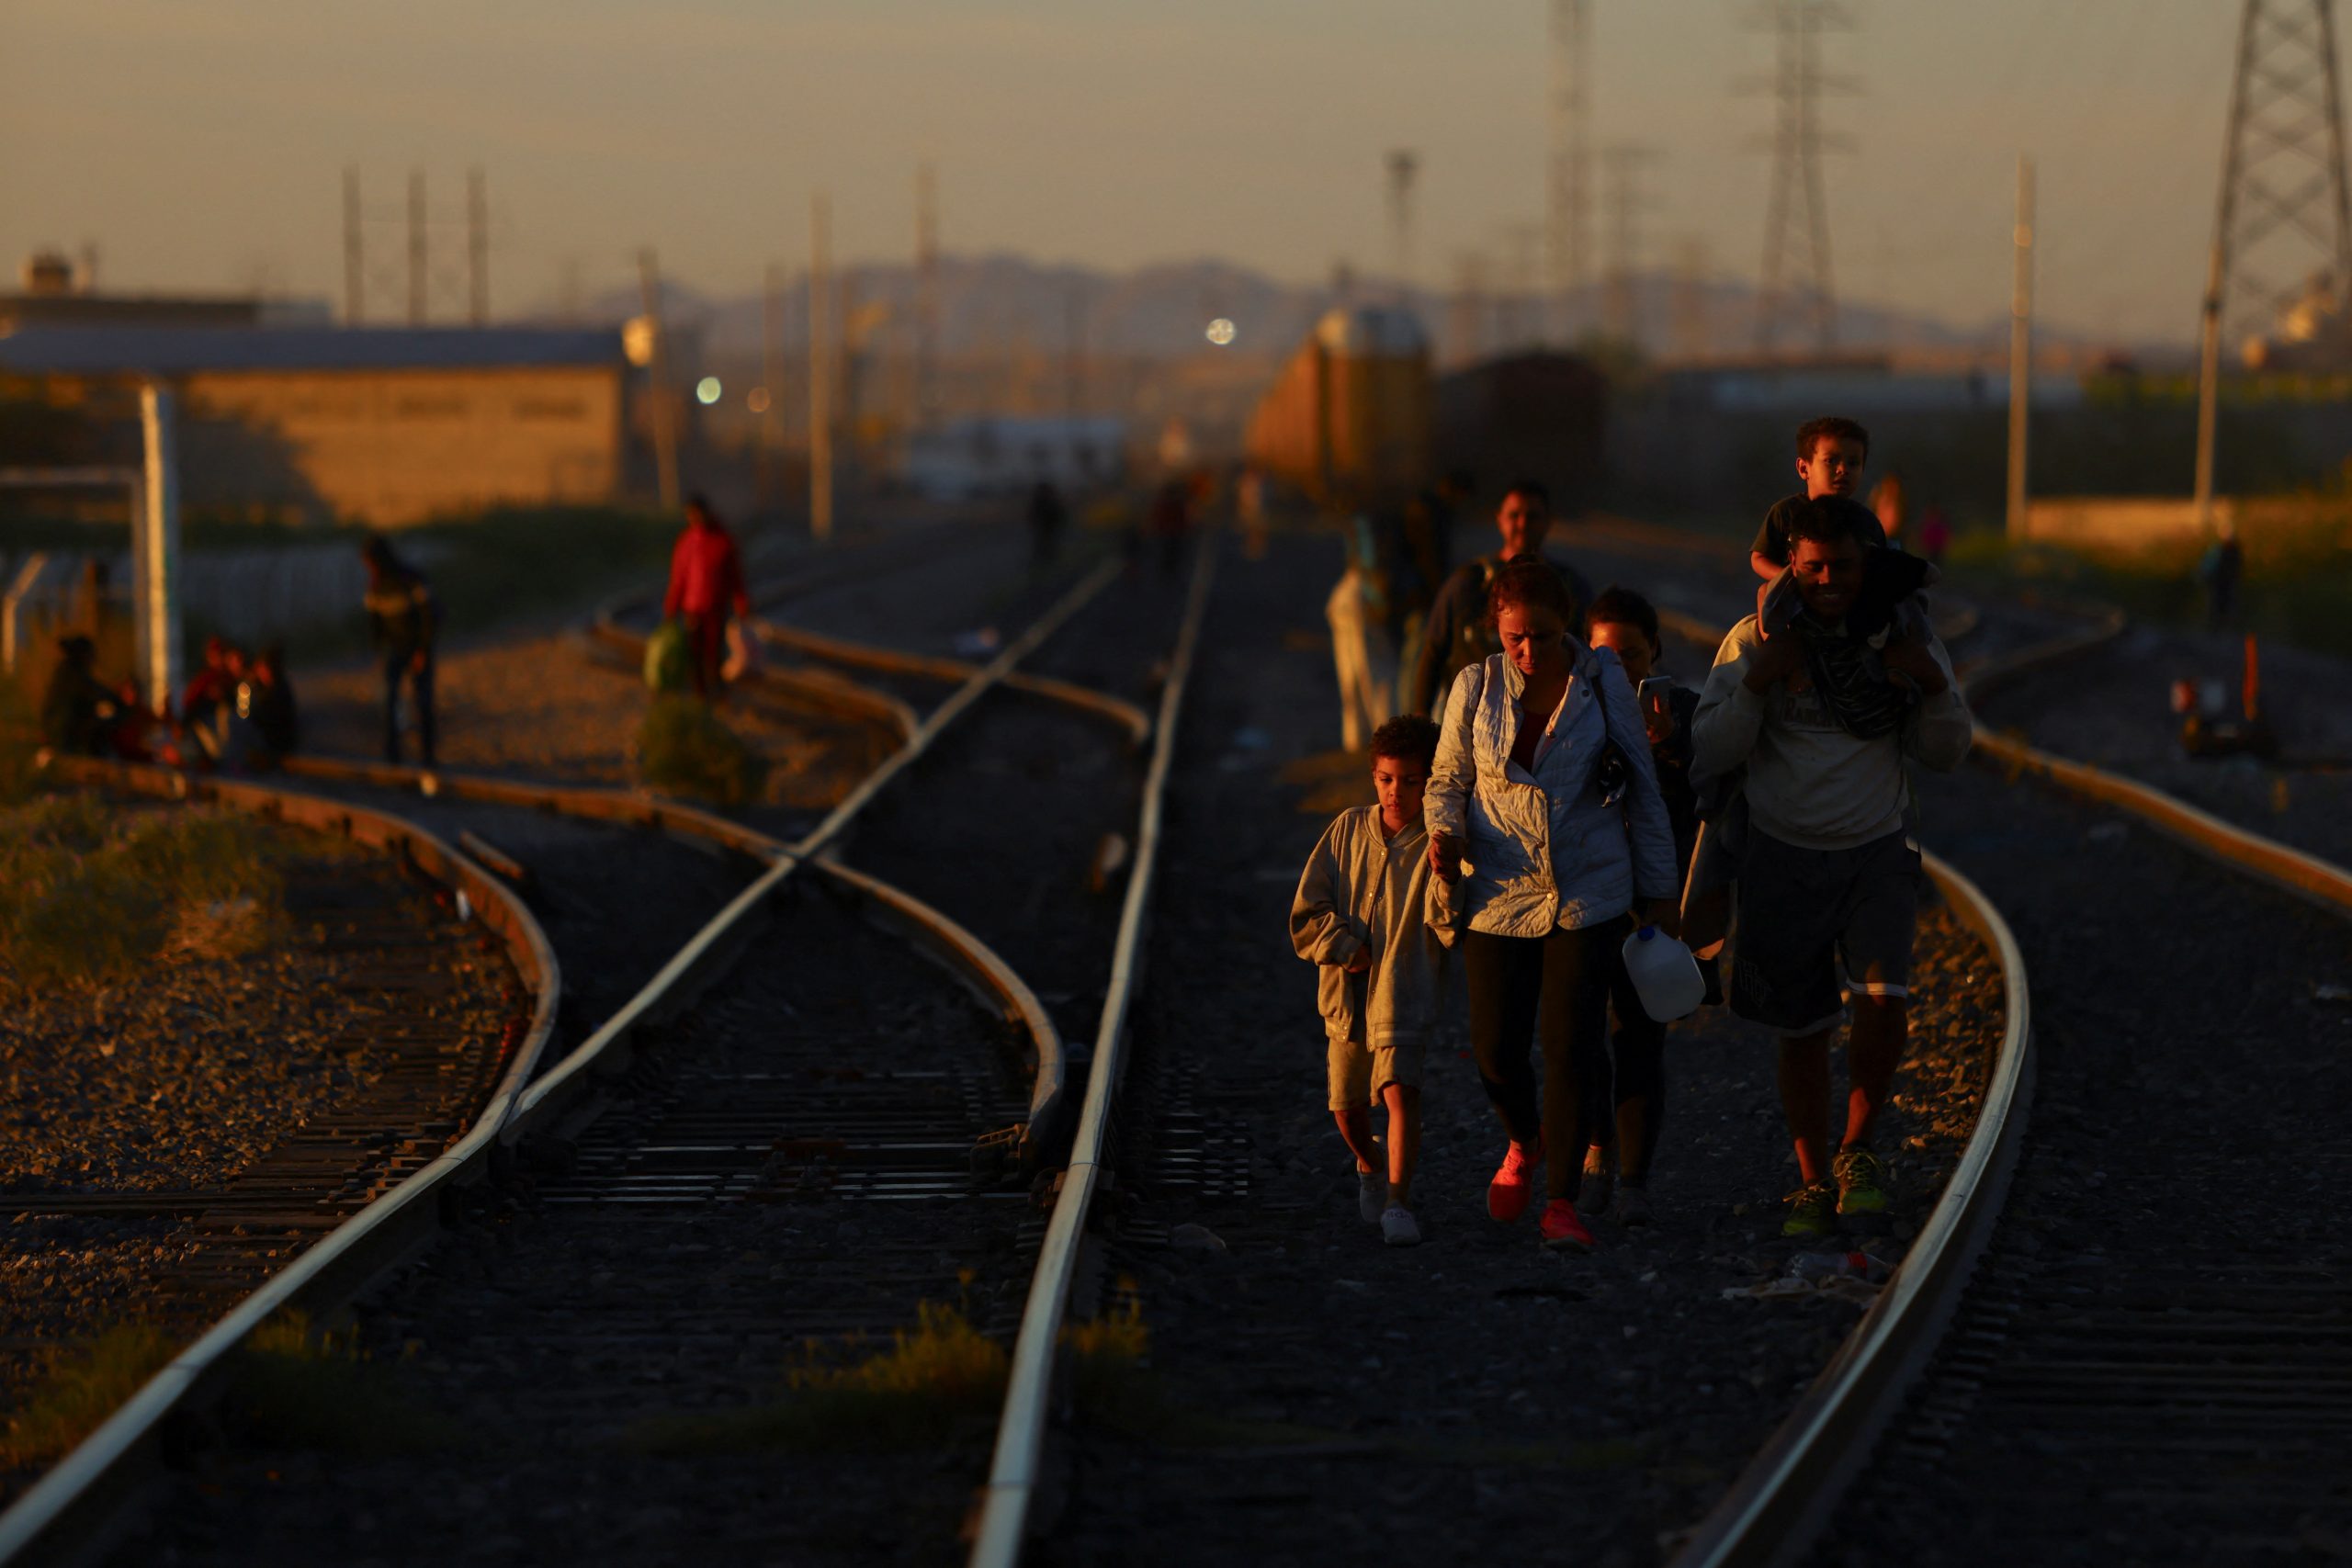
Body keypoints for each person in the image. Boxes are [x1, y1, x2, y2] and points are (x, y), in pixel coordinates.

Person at [1690, 501, 1974, 1238]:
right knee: (1803, 1025)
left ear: (1867, 565)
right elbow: (1709, 751)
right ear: (1791, 565)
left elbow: (1948, 752)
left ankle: (1858, 1150)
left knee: (1884, 1000)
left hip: (1875, 848)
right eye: (1811, 567)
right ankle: (1813, 1179)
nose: (1826, 581)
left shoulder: (1904, 635)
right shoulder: (1753, 640)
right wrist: (1758, 680)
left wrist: (1930, 685)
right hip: (1782, 852)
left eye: (1841, 566)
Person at [1425, 559, 1679, 1252]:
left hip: (1586, 890)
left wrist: (1660, 896)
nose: (1528, 651)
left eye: (1541, 635)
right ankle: (1523, 1138)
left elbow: (1644, 792)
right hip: (1499, 890)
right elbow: (1445, 779)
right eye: (1515, 638)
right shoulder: (1475, 687)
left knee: (1570, 1047)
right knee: (1496, 1049)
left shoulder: (1599, 685)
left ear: (1565, 624)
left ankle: (1560, 1201)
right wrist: (1444, 833)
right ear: (1496, 631)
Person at [1290, 714, 1453, 1247]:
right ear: (1373, 777)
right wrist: (1345, 947)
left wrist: (1449, 875)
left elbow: (1450, 926)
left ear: (1431, 781)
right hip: (1344, 997)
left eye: (1411, 781)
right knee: (1347, 1106)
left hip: (1404, 991)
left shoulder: (1437, 843)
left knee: (1400, 1090)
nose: (1396, 792)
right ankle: (1370, 1164)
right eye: (1386, 779)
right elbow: (1306, 912)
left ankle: (1400, 1202)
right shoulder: (1345, 830)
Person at [1577, 587, 1706, 1227]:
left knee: (1638, 1037)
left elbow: (1717, 792)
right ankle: (1596, 1149)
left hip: (1653, 901)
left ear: (1654, 651)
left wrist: (1670, 748)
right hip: (1584, 895)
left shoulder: (1681, 711)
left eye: (1631, 653)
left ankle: (1633, 1179)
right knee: (1578, 1038)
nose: (1619, 667)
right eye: (1605, 654)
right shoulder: (1570, 711)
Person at [1405, 479, 1596, 717]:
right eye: (1514, 515)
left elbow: (1592, 651)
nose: (1523, 524)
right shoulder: (1468, 583)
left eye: (1533, 516)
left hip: (1550, 723)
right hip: (1472, 718)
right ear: (1499, 519)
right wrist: (1421, 715)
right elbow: (1433, 649)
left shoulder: (1569, 586)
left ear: (1548, 522)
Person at [1748, 418, 1884, 588]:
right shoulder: (1786, 512)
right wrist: (1790, 579)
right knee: (1765, 593)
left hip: (1848, 600)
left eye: (1853, 463)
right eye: (1831, 460)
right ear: (1804, 469)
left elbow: (1883, 564)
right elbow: (1759, 558)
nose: (1843, 469)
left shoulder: (1865, 521)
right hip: (1795, 597)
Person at [662, 493, 751, 701]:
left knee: (714, 653)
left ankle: (716, 692)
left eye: (696, 514)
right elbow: (679, 578)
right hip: (692, 608)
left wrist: (741, 603)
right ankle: (700, 695)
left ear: (706, 513)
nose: (693, 518)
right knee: (694, 653)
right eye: (689, 515)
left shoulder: (723, 541)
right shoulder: (686, 542)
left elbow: (735, 577)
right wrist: (671, 607)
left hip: (716, 608)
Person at [362, 534, 440, 765]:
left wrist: (422, 651)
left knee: (423, 703)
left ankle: (427, 756)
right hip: (392, 651)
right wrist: (378, 651)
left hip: (416, 648)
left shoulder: (411, 578)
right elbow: (375, 622)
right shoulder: (375, 586)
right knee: (390, 702)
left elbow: (428, 617)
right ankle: (392, 756)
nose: (368, 568)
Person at [1327, 506, 1398, 751]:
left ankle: (1355, 738)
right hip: (1359, 599)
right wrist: (1378, 602)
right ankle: (1385, 737)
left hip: (1343, 596)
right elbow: (1370, 564)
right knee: (1376, 672)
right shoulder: (1373, 523)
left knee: (1350, 672)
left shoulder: (1359, 520)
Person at [39, 634, 119, 756]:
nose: (93, 658)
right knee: (104, 716)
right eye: (90, 654)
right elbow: (93, 691)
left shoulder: (67, 671)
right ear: (83, 655)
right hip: (63, 734)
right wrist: (116, 697)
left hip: (59, 731)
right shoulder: (72, 674)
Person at [2198, 524, 2243, 633]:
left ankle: (2219, 629)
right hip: (2221, 581)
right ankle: (2218, 629)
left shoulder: (2222, 549)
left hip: (2224, 581)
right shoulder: (2223, 549)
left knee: (2220, 605)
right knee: (2219, 605)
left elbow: (2208, 565)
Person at [1026, 478, 1069, 569]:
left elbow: (1058, 513)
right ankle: (1045, 563)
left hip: (1047, 527)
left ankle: (1045, 563)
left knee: (1046, 545)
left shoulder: (1043, 500)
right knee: (1045, 545)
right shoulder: (1045, 500)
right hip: (1046, 527)